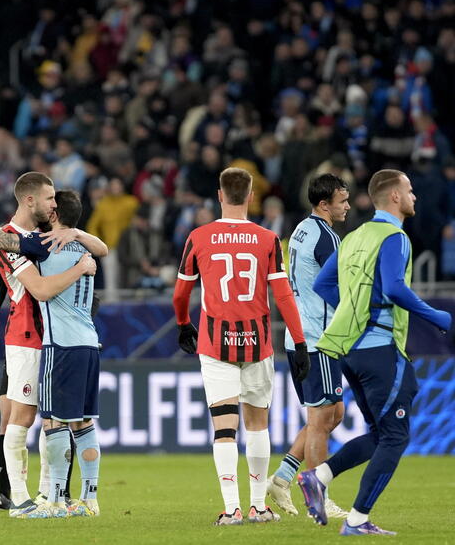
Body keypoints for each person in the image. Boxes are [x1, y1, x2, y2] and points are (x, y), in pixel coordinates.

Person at [299, 169, 452, 536]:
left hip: (349, 349)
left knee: (383, 433)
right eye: (410, 191)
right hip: (380, 347)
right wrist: (438, 316)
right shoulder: (394, 237)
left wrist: (355, 310)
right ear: (395, 197)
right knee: (396, 436)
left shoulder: (354, 236)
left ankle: (319, 476)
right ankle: (356, 520)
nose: (415, 196)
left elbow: (323, 283)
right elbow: (396, 288)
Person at [172, 167, 310, 526]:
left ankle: (231, 508)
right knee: (257, 426)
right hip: (258, 344)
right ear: (251, 197)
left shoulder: (199, 237)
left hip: (216, 344)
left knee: (224, 428)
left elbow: (180, 292)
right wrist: (298, 341)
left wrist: (184, 324)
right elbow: (283, 295)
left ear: (220, 196)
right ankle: (259, 506)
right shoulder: (267, 239)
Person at [0, 171, 107, 517]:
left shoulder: (48, 238)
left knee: (53, 418)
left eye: (55, 200)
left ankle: (48, 497)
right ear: (31, 200)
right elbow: (36, 288)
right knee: (22, 417)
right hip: (26, 337)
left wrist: (76, 234)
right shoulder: (13, 239)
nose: (53, 204)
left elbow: (101, 248)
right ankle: (22, 499)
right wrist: (83, 265)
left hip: (57, 341)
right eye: (49, 197)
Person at [267, 174, 351, 519]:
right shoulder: (328, 239)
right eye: (342, 201)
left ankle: (283, 478)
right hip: (319, 339)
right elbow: (337, 287)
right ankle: (319, 497)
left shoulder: (301, 229)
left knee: (334, 413)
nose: (347, 206)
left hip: (300, 336)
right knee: (320, 419)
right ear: (323, 205)